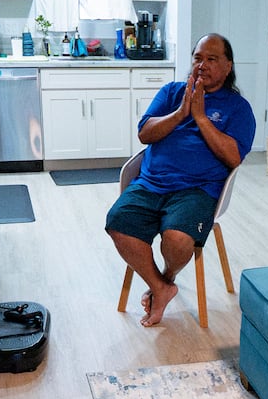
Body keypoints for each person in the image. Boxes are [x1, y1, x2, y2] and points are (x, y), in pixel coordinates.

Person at [105, 33, 254, 327]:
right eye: (198, 58)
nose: (203, 65)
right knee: (118, 223)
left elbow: (234, 157)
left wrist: (200, 117)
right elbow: (145, 134)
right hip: (150, 184)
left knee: (177, 239)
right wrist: (181, 112)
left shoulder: (238, 108)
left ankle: (167, 277)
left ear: (228, 66)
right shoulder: (172, 92)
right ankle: (162, 288)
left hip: (197, 191)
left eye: (212, 59)